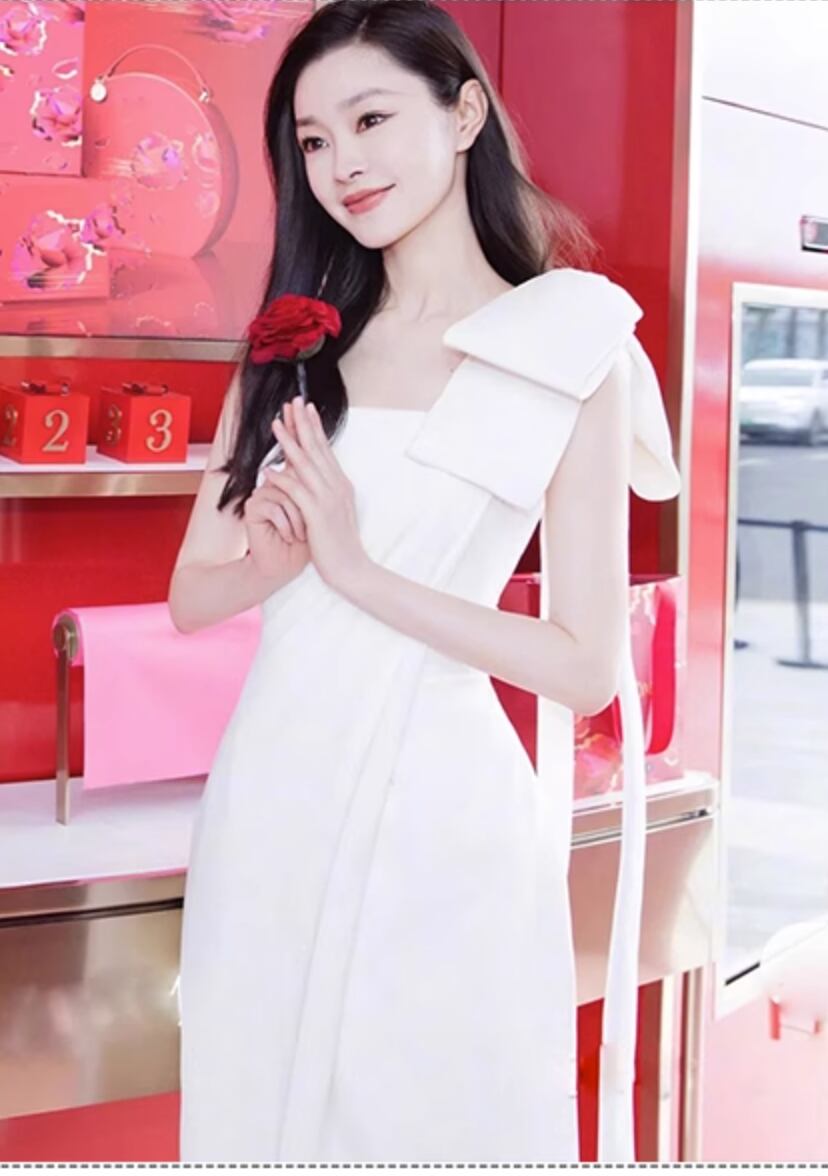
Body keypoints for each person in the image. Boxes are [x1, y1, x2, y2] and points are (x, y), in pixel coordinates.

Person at [168, 0, 681, 1162]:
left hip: (444, 821)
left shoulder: (572, 349)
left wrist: (354, 568)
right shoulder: (296, 349)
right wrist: (275, 561)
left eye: (370, 120)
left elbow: (584, 665)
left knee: (435, 1118)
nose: (342, 163)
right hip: (272, 801)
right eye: (312, 140)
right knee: (257, 1114)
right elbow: (193, 595)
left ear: (464, 115)